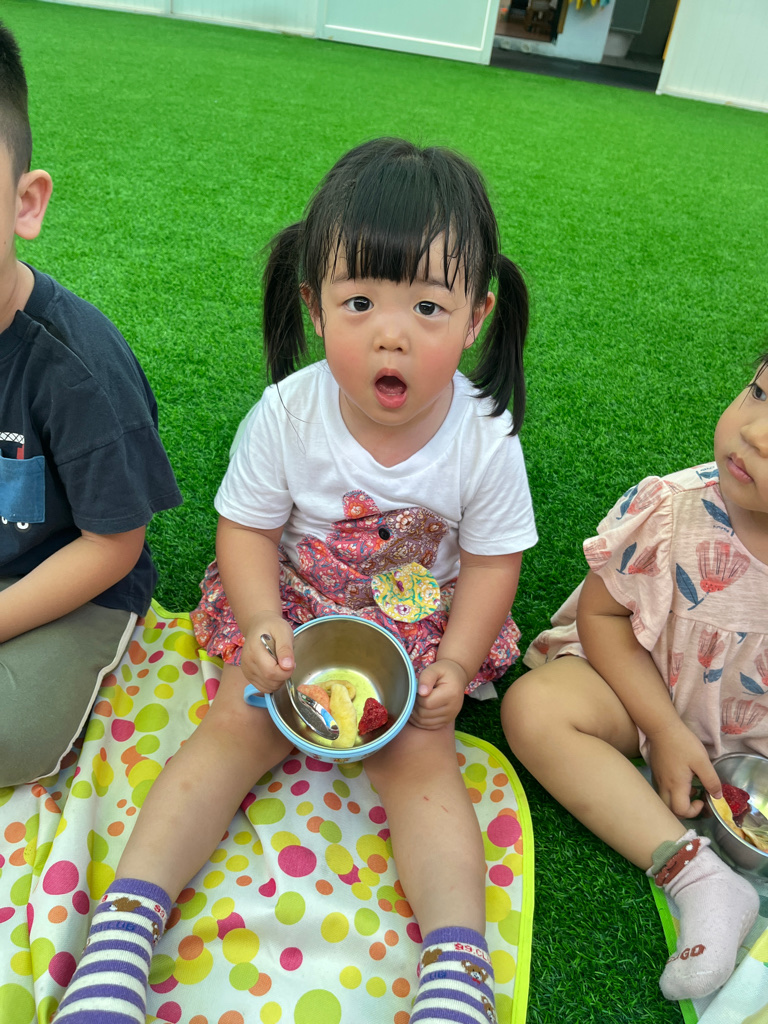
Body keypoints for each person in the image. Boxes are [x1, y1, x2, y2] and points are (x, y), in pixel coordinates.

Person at [54, 137, 537, 1024]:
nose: (391, 333)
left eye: (429, 307)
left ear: (477, 317)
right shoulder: (287, 414)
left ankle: (457, 970)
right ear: (314, 307)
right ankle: (120, 935)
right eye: (361, 302)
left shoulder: (484, 437)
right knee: (228, 733)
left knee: (422, 763)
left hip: (415, 630)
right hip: (295, 607)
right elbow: (247, 529)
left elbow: (493, 562)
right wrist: (260, 621)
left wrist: (457, 664)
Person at [502, 360, 768, 1002]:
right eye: (760, 391)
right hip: (644, 687)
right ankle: (700, 879)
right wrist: (664, 730)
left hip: (750, 731)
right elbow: (602, 617)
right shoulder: (674, 510)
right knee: (535, 709)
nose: (755, 431)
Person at [0, 21, 182, 789]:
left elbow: (114, 543)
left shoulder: (75, 367)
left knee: (9, 736)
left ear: (25, 203)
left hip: (72, 582)